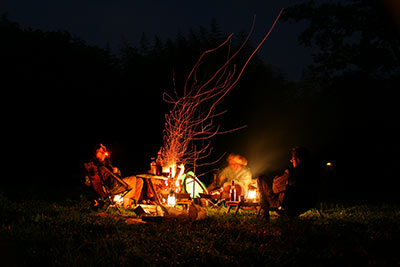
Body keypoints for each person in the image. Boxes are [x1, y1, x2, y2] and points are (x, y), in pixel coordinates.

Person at [257, 146, 319, 217]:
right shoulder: (314, 173)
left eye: (292, 160)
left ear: (297, 159)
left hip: (288, 207)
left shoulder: (292, 173)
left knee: (261, 179)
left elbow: (275, 188)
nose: (292, 162)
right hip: (308, 204)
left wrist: (276, 180)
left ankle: (264, 210)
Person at [85, 144, 144, 209]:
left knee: (140, 180)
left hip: (115, 182)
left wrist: (116, 171)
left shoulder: (104, 162)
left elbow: (112, 172)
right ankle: (128, 203)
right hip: (110, 186)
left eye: (103, 152)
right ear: (95, 152)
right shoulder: (96, 165)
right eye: (100, 152)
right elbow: (104, 175)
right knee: (133, 179)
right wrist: (113, 171)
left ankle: (134, 202)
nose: (103, 153)